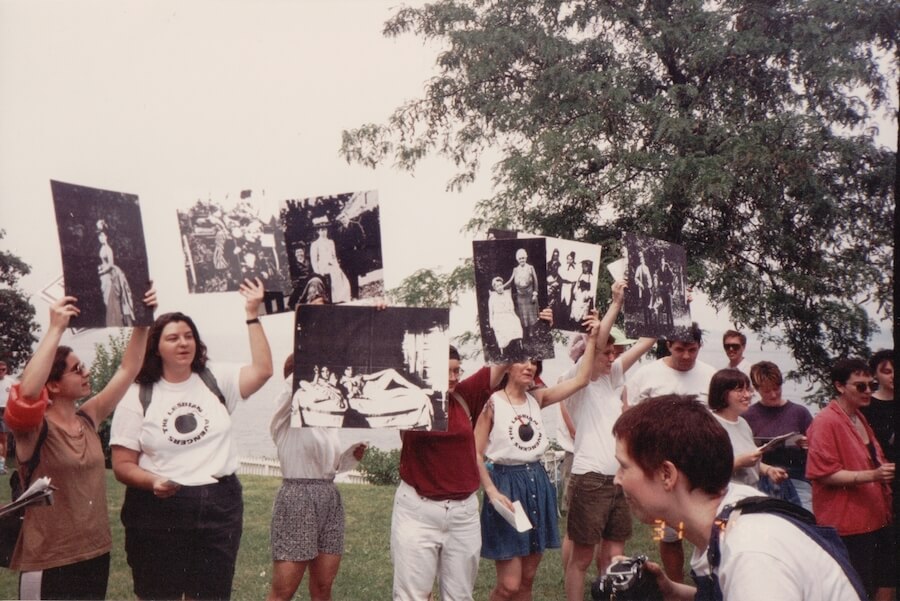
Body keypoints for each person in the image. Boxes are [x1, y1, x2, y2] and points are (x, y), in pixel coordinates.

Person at [110, 278, 274, 601]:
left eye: (189, 336)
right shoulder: (138, 394)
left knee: (211, 595)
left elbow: (263, 371)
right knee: (160, 594)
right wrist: (153, 481)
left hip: (219, 505)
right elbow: (121, 465)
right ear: (156, 346)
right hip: (158, 510)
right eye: (172, 338)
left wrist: (252, 314)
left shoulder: (215, 379)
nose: (183, 343)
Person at [611, 395, 866, 601]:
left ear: (667, 474)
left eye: (624, 466)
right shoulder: (735, 512)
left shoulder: (751, 555)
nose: (617, 479)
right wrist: (674, 593)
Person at [4, 288, 156, 600]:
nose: (86, 372)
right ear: (54, 384)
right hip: (49, 560)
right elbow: (27, 394)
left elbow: (129, 369)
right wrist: (56, 328)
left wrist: (142, 322)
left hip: (94, 554)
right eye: (77, 370)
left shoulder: (89, 417)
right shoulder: (34, 430)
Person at [475, 310, 601, 601]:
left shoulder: (538, 398)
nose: (529, 366)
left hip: (537, 484)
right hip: (506, 486)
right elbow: (476, 452)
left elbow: (582, 380)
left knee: (528, 580)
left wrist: (592, 339)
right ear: (506, 365)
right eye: (522, 360)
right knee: (509, 584)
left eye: (534, 361)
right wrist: (491, 491)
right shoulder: (492, 403)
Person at [561, 281, 656, 601]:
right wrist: (616, 303)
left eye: (615, 352)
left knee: (613, 557)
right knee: (582, 559)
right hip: (590, 479)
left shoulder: (612, 380)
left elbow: (648, 341)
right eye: (607, 351)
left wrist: (671, 303)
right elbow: (597, 340)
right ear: (588, 353)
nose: (612, 356)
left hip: (618, 479)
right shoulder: (579, 381)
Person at [391, 346, 503, 601]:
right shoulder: (407, 400)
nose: (454, 377)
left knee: (460, 596)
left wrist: (535, 322)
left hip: (463, 514)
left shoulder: (464, 396)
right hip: (417, 512)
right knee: (411, 595)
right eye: (447, 371)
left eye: (457, 370)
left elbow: (505, 359)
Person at [267, 351, 366, 601]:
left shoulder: (328, 419)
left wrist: (349, 457)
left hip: (329, 498)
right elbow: (293, 387)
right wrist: (312, 348)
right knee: (284, 590)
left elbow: (326, 468)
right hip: (297, 498)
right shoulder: (285, 417)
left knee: (323, 587)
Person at [626, 322, 716, 582]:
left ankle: (711, 581)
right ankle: (675, 585)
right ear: (669, 346)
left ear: (699, 347)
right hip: (662, 467)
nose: (686, 356)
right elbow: (629, 417)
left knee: (709, 527)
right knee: (668, 532)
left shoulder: (711, 375)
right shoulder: (647, 375)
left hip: (701, 466)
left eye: (692, 349)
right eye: (680, 349)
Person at [806, 357, 895, 600]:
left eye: (871, 385)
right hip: (847, 526)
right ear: (840, 386)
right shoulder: (826, 421)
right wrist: (873, 475)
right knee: (855, 589)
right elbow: (823, 474)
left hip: (875, 519)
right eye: (860, 386)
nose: (868, 391)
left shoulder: (859, 417)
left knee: (884, 581)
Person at [744, 361, 814, 511]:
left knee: (806, 522)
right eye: (767, 391)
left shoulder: (799, 412)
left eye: (777, 389)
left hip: (796, 478)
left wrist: (808, 445)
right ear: (757, 390)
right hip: (762, 480)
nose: (774, 395)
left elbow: (818, 449)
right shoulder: (748, 416)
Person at [708, 368, 789, 487]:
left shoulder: (743, 423)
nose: (747, 395)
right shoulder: (710, 425)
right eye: (740, 390)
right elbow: (708, 471)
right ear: (722, 393)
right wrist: (739, 462)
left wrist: (768, 470)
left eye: (748, 390)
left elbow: (750, 461)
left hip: (750, 493)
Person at [96, 219, 135, 327]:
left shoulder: (108, 249)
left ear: (107, 236)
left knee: (111, 301)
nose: (101, 238)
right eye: (99, 236)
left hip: (110, 276)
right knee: (107, 301)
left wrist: (102, 270)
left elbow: (111, 264)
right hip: (104, 276)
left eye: (103, 236)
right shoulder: (102, 248)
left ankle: (116, 324)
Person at [310, 219, 351, 304]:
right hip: (322, 267)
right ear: (318, 232)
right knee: (332, 277)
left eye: (325, 229)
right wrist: (318, 272)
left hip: (332, 265)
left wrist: (337, 266)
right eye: (321, 230)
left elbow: (334, 256)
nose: (323, 232)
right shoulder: (315, 244)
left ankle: (341, 299)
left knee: (343, 279)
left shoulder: (331, 242)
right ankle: (335, 299)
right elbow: (314, 261)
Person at [504, 248, 539, 342]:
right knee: (523, 316)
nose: (522, 260)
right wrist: (501, 287)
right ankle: (525, 333)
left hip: (530, 295)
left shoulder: (530, 268)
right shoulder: (515, 270)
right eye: (520, 258)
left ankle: (531, 332)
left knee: (531, 315)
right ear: (517, 259)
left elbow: (536, 281)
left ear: (526, 257)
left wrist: (535, 294)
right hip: (520, 297)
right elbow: (510, 281)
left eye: (523, 258)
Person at [488, 276, 524, 359]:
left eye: (500, 285)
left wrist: (514, 316)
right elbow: (491, 312)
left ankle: (519, 348)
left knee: (515, 323)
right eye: (497, 286)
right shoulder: (492, 297)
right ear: (494, 287)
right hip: (498, 317)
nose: (499, 287)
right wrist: (491, 322)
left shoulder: (507, 294)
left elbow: (511, 308)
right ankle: (504, 353)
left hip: (508, 314)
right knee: (502, 328)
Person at [0, 360, 18, 474]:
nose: (1, 372)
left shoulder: (11, 382)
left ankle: (2, 465)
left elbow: (23, 391)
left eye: (3, 370)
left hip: (5, 410)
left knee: (3, 439)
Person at [632, 251, 654, 326]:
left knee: (649, 305)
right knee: (644, 306)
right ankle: (646, 323)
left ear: (644, 260)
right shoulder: (638, 268)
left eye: (643, 259)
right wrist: (640, 284)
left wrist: (650, 285)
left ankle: (651, 322)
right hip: (643, 289)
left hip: (648, 288)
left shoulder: (646, 268)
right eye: (640, 260)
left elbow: (650, 278)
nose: (642, 261)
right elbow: (636, 278)